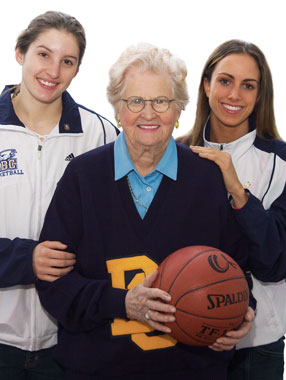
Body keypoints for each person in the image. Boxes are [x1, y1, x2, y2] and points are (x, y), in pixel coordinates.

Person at [36, 42, 255, 380]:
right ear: (116, 109)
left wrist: (241, 313)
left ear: (179, 109)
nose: (149, 113)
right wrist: (121, 303)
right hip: (97, 370)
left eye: (162, 101)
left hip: (192, 370)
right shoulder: (82, 176)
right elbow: (54, 285)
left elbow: (237, 269)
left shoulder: (208, 178)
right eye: (135, 101)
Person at [0, 10, 118, 380]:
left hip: (67, 342)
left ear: (78, 69)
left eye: (67, 61)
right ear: (20, 53)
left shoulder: (100, 135)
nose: (53, 71)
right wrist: (25, 259)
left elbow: (120, 229)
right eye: (43, 54)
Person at [179, 39, 286, 380]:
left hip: (258, 342)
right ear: (207, 84)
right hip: (184, 332)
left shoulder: (280, 162)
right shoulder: (175, 152)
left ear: (259, 95)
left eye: (248, 85)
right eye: (225, 81)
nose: (235, 95)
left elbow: (274, 262)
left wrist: (238, 192)